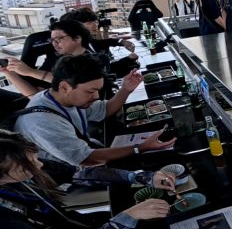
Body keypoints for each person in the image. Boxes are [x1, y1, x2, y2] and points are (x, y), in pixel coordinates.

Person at [0, 130, 174, 229]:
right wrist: (129, 216)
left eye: (36, 158)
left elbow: (82, 174)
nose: (40, 165)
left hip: (80, 226)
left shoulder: (27, 166)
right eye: (28, 165)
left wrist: (141, 177)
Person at [14, 54, 175, 166]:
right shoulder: (43, 123)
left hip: (85, 155)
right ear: (64, 87)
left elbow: (105, 109)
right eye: (90, 91)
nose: (96, 96)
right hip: (63, 179)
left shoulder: (64, 98)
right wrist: (141, 147)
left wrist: (126, 89)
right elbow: (87, 159)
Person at [2, 20, 94, 97]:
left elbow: (73, 83)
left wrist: (30, 71)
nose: (54, 43)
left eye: (59, 39)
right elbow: (35, 94)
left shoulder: (93, 62)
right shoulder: (55, 58)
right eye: (52, 40)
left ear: (77, 38)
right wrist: (9, 72)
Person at [59, 8, 138, 77]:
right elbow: (100, 73)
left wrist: (122, 42)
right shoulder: (76, 51)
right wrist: (126, 60)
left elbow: (99, 43)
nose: (95, 25)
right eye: (89, 22)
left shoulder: (86, 40)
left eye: (95, 21)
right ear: (76, 26)